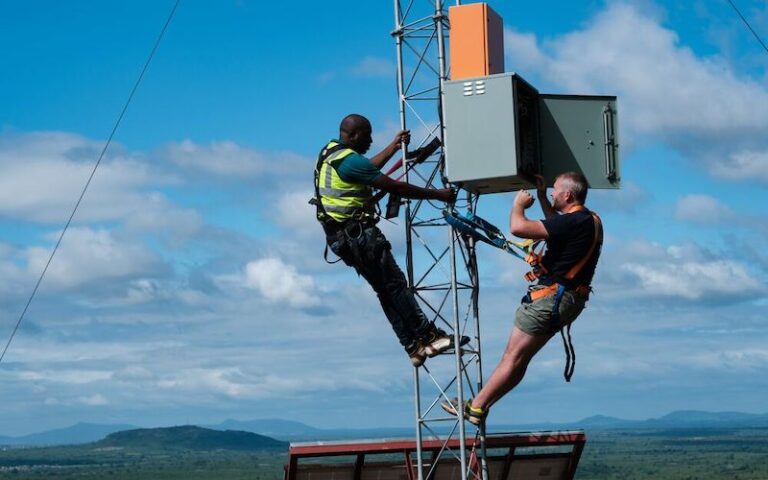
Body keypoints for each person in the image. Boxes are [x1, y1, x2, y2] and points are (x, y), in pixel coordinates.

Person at [442, 172, 603, 425]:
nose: (552, 193)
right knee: (520, 359)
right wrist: (541, 197)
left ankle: (477, 406)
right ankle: (481, 406)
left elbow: (518, 228)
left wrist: (519, 205)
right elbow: (556, 226)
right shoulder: (589, 220)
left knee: (512, 357)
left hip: (550, 299)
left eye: (555, 190)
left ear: (568, 195)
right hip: (568, 300)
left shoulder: (574, 222)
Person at [313, 114, 468, 367]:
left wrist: (393, 147)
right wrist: (438, 195)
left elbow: (368, 169)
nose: (371, 141)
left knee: (384, 290)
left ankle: (412, 346)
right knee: (395, 285)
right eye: (367, 136)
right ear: (353, 136)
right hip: (359, 237)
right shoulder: (348, 160)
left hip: (342, 239)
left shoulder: (331, 153)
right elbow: (396, 187)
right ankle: (430, 337)